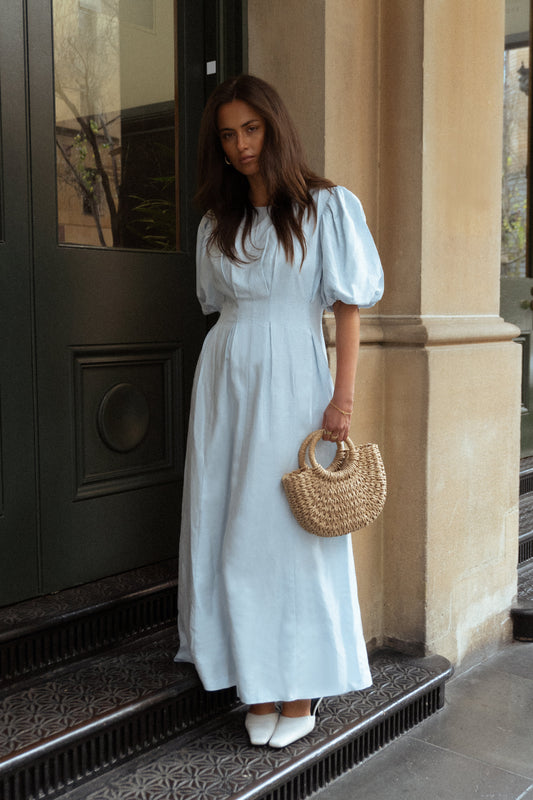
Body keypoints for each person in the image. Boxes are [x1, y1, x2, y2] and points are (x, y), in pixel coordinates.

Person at [175, 74, 384, 749]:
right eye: (227, 134)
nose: (239, 145)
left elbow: (347, 306)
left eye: (250, 128)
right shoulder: (217, 220)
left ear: (274, 125)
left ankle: (300, 689)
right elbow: (216, 303)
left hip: (295, 376)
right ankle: (254, 684)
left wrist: (342, 397)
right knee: (230, 530)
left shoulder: (326, 206)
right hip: (226, 380)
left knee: (288, 536)